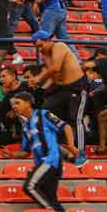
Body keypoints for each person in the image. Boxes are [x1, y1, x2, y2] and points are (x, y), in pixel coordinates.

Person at [2, 91, 76, 212]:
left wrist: (71, 146)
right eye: (14, 104)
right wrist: (13, 155)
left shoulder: (43, 114)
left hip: (51, 160)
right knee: (50, 197)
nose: (14, 106)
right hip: (43, 163)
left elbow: (66, 127)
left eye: (17, 103)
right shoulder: (25, 126)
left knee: (29, 186)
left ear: (28, 103)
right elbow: (25, 152)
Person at [30, 30, 89, 166]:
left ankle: (81, 153)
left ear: (47, 40)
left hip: (78, 87)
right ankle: (56, 147)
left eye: (41, 46)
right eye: (37, 48)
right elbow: (55, 77)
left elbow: (55, 68)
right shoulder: (47, 55)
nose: (40, 50)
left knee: (76, 119)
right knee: (46, 109)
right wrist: (43, 87)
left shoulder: (59, 46)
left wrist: (39, 78)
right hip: (63, 89)